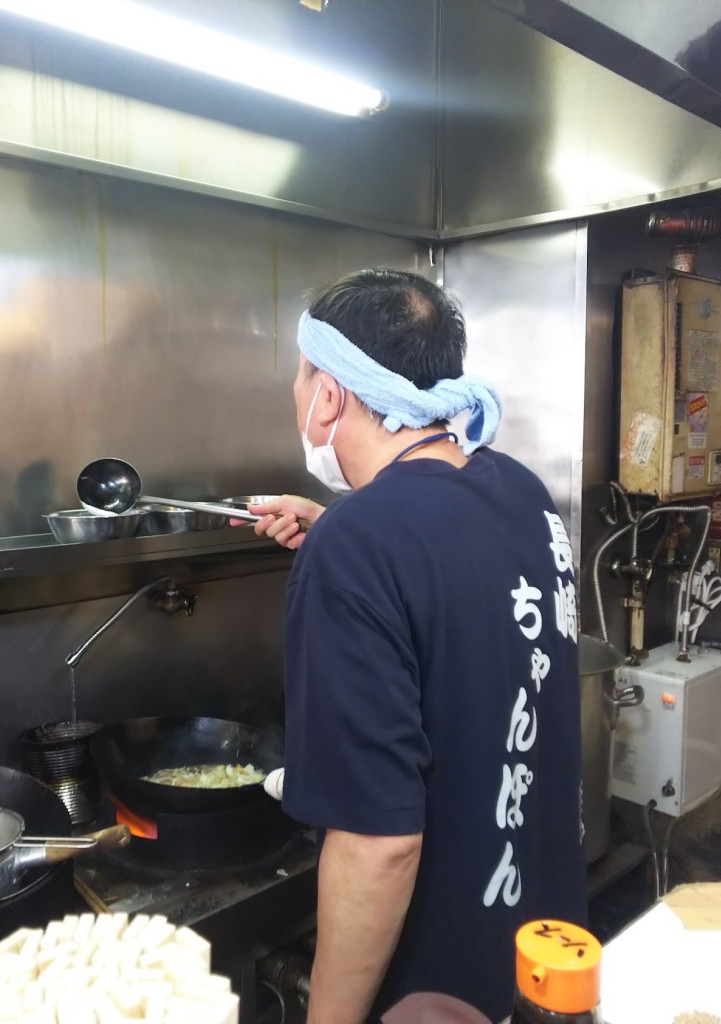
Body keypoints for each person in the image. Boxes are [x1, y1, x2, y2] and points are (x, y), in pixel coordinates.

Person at [249, 269, 587, 1024]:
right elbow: (445, 574)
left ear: (330, 394)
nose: (298, 395)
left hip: (445, 987)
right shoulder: (520, 489)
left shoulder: (357, 546)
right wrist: (340, 523)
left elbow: (379, 845)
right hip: (548, 957)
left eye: (303, 377)